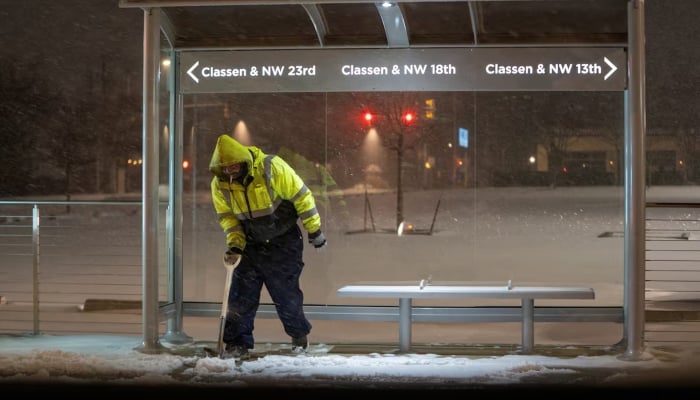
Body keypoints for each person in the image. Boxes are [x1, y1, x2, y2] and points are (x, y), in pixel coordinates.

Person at [208, 134, 327, 360]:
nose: (231, 170)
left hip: (284, 239)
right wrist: (235, 244)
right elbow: (228, 219)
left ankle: (299, 336)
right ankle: (236, 343)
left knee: (285, 292)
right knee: (240, 295)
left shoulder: (271, 167)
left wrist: (315, 230)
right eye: (226, 168)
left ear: (243, 160)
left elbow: (302, 197)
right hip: (251, 244)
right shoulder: (220, 185)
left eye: (234, 165)